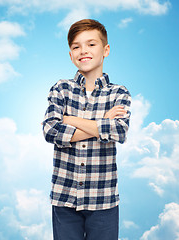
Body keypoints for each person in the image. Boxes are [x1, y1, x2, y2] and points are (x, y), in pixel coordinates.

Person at [42, 19, 131, 240]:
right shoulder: (61, 89)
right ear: (70, 54)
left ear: (106, 50)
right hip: (64, 196)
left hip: (103, 199)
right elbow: (51, 131)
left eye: (91, 44)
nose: (83, 51)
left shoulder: (118, 93)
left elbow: (118, 131)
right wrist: (102, 122)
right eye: (76, 46)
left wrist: (70, 119)